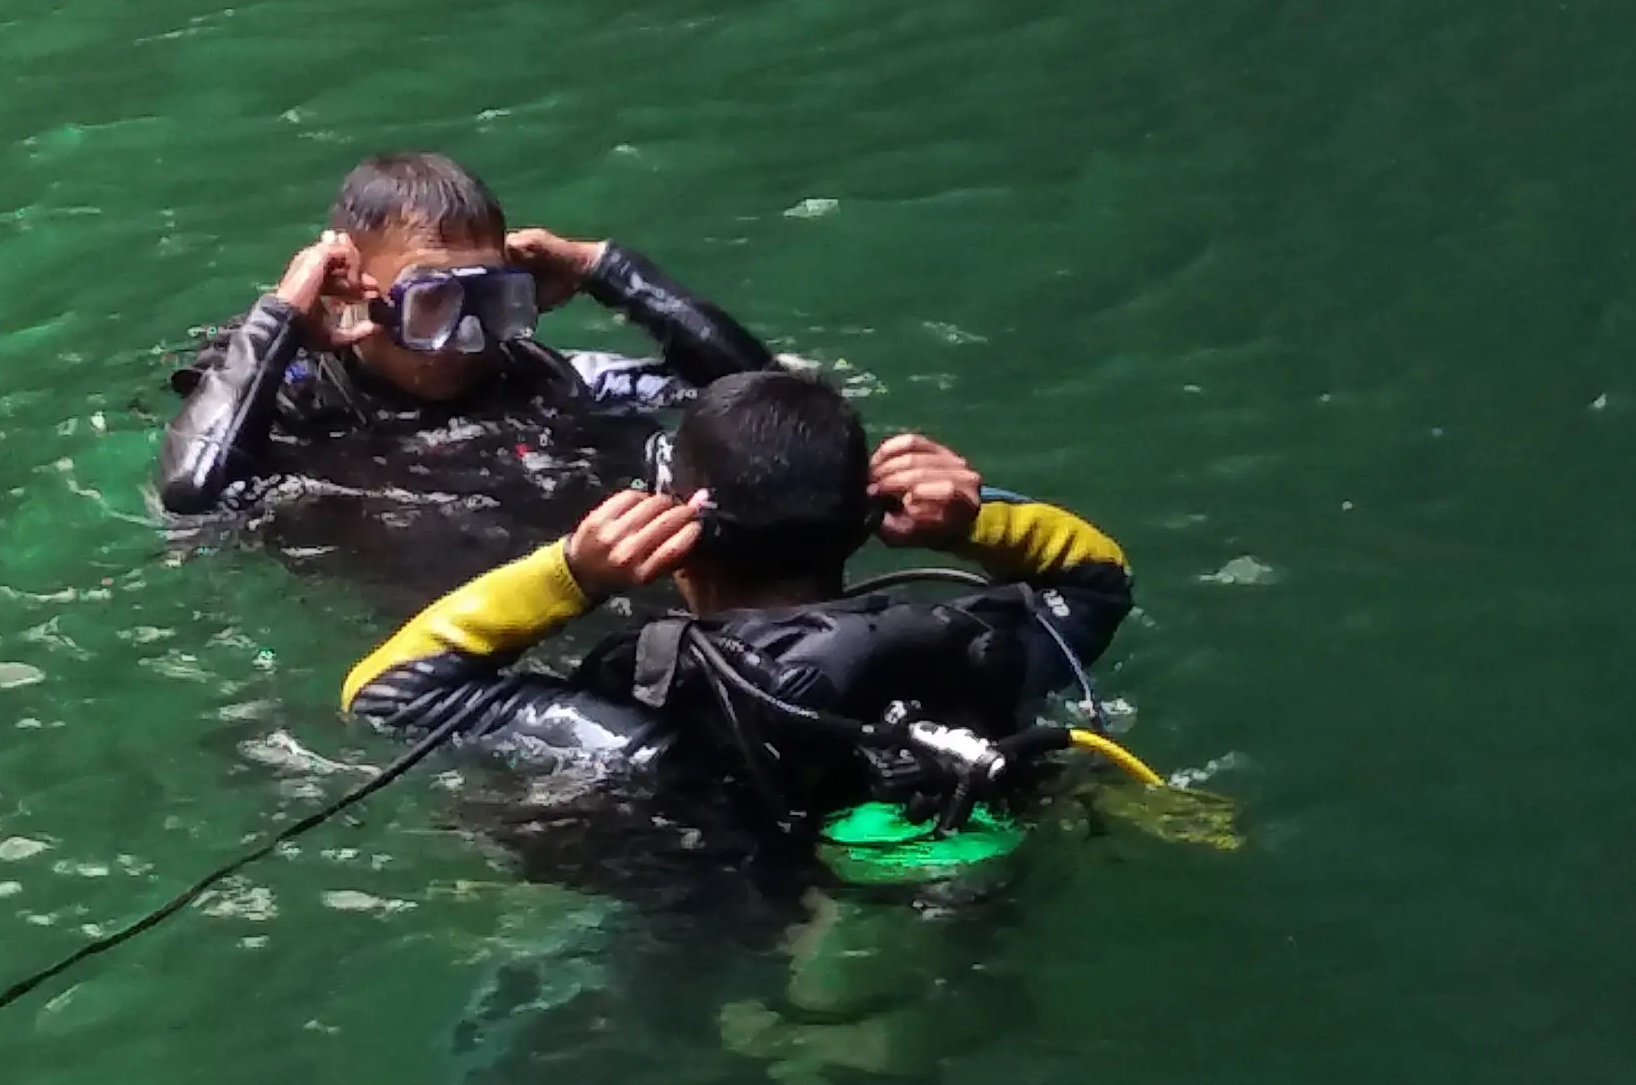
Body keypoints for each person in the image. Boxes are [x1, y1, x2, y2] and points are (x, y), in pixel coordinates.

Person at [335, 371, 1136, 869]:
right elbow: (1096, 578)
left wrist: (569, 573)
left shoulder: (662, 720)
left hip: (728, 970)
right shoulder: (974, 654)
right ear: (865, 519)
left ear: (679, 540)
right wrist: (971, 520)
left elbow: (383, 692)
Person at [155, 152, 776, 537]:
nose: (468, 338)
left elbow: (765, 409)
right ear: (350, 287)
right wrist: (285, 314)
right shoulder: (280, 395)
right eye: (433, 305)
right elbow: (190, 496)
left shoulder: (543, 376)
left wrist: (606, 269)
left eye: (490, 302)